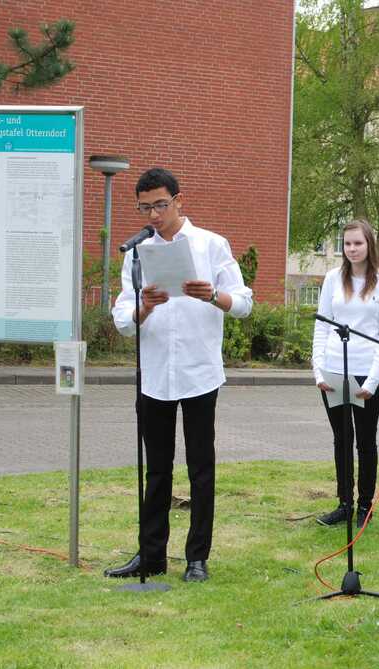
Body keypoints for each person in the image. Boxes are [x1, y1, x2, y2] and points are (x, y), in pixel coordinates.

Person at [105, 167, 253, 583]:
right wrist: (145, 307)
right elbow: (122, 319)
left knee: (201, 468)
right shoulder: (137, 252)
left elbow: (244, 302)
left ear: (178, 200)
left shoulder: (211, 244)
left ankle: (197, 558)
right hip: (155, 374)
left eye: (160, 205)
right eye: (145, 208)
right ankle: (151, 555)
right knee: (156, 470)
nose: (153, 215)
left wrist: (214, 296)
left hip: (198, 372)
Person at [312, 219, 379, 529]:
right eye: (347, 243)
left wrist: (373, 380)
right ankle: (344, 503)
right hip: (334, 371)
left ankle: (365, 506)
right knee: (341, 439)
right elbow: (322, 325)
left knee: (365, 441)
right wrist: (318, 371)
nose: (352, 249)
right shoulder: (333, 278)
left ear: (369, 244)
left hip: (365, 373)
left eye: (358, 243)